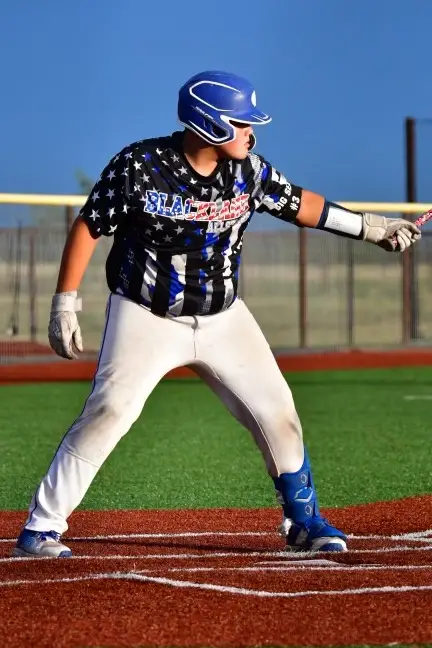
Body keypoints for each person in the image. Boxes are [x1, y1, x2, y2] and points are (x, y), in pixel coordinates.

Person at [13, 70, 420, 558]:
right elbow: (90, 225)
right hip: (146, 314)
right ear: (210, 123)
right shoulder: (140, 165)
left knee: (278, 411)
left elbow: (300, 204)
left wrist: (369, 229)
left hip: (224, 317)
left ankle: (303, 522)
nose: (251, 133)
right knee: (110, 410)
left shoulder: (249, 171)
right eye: (242, 122)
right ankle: (40, 529)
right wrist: (65, 301)